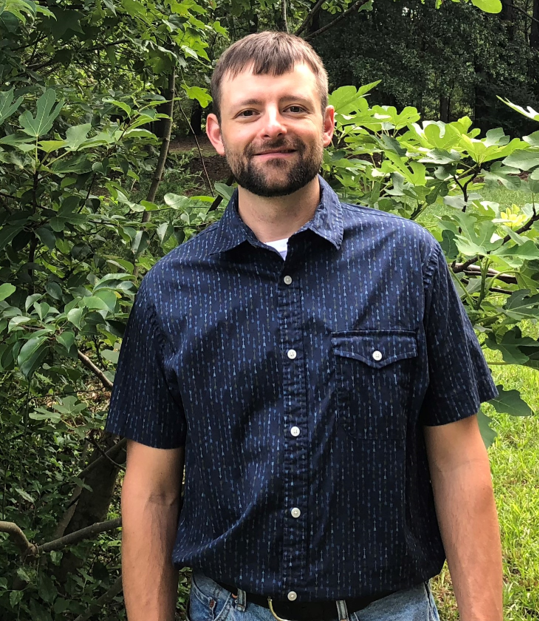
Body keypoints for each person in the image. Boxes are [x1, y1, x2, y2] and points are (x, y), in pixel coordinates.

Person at [106, 31, 503, 621]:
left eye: (294, 107)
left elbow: (459, 461)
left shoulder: (408, 262)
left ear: (327, 123)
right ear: (217, 133)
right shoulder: (170, 290)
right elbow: (151, 491)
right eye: (249, 111)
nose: (273, 126)